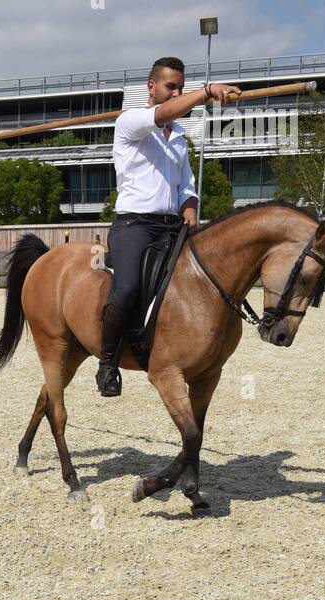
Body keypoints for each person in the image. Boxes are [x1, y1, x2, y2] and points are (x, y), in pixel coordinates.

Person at [96, 57, 241, 397]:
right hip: (134, 225)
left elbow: (186, 184)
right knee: (129, 288)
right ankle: (106, 364)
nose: (176, 92)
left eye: (180, 86)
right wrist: (205, 93)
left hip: (171, 226)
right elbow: (161, 114)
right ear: (151, 86)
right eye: (170, 86)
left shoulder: (177, 136)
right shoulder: (131, 121)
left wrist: (190, 206)